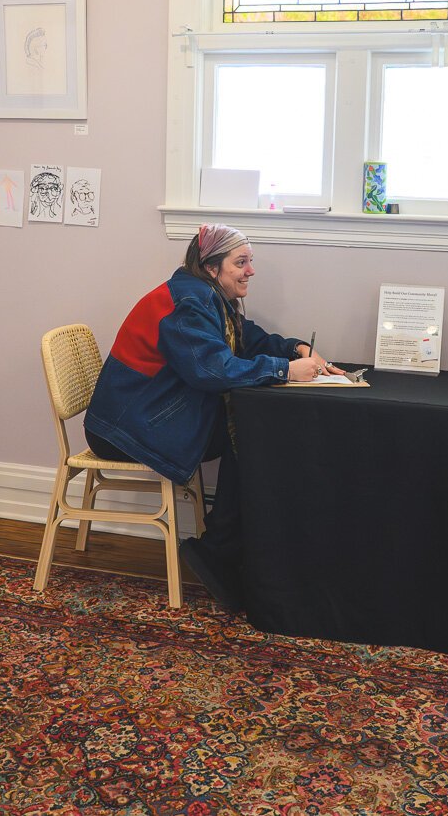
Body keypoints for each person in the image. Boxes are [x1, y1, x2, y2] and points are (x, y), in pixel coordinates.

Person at [83, 224, 335, 612]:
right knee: (249, 432)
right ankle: (221, 548)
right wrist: (285, 371)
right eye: (241, 262)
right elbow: (211, 369)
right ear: (212, 267)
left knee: (249, 430)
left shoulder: (207, 295)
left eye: (250, 261)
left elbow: (244, 337)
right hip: (124, 426)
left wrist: (294, 348)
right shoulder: (189, 304)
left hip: (143, 411)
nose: (250, 270)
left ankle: (224, 544)